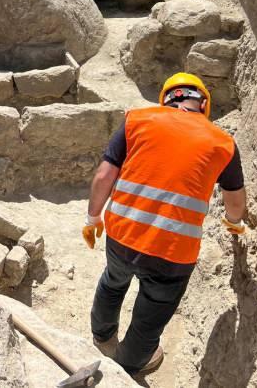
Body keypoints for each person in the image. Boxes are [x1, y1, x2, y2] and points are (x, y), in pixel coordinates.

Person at [82, 73, 247, 375]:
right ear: (203, 104)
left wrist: (93, 218)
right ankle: (130, 364)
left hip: (122, 235)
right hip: (172, 254)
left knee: (113, 280)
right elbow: (235, 203)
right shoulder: (223, 143)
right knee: (151, 314)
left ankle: (102, 335)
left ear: (166, 98)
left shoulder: (137, 120)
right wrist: (234, 225)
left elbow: (105, 176)